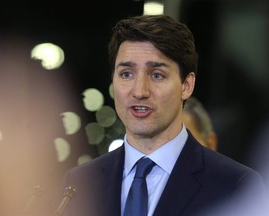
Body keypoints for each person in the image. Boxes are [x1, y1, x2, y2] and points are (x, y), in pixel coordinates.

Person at [59, 15, 269, 216]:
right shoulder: (80, 183)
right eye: (126, 74)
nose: (139, 91)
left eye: (157, 75)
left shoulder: (235, 185)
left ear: (186, 86)